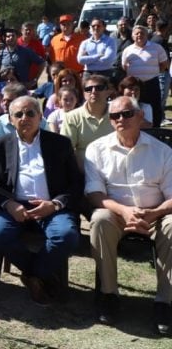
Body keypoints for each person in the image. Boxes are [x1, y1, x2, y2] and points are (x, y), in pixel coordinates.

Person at [85, 95, 172, 334]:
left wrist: (155, 213)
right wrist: (124, 211)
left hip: (156, 214)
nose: (120, 119)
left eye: (126, 114)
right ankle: (109, 294)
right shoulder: (97, 149)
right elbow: (94, 194)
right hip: (117, 214)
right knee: (99, 219)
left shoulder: (162, 151)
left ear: (140, 116)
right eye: (114, 116)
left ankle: (165, 302)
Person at [0, 96, 82, 304]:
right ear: (10, 120)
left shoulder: (60, 144)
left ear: (40, 117)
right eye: (18, 114)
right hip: (15, 207)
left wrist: (55, 204)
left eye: (30, 113)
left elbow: (76, 183)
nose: (25, 118)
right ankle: (40, 274)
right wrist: (8, 204)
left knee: (66, 236)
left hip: (51, 207)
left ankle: (33, 275)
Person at [60, 74, 113, 174]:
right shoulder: (72, 117)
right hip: (84, 175)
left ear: (108, 92)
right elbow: (65, 150)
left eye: (99, 88)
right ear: (84, 94)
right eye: (88, 89)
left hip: (115, 173)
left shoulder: (118, 114)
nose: (93, 91)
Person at [122, 24, 168, 127]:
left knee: (155, 108)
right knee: (135, 108)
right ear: (133, 36)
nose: (139, 35)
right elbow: (124, 66)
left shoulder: (157, 48)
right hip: (135, 86)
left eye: (142, 33)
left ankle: (156, 130)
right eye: (136, 33)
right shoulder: (127, 50)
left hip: (151, 83)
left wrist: (152, 73)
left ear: (147, 35)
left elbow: (164, 64)